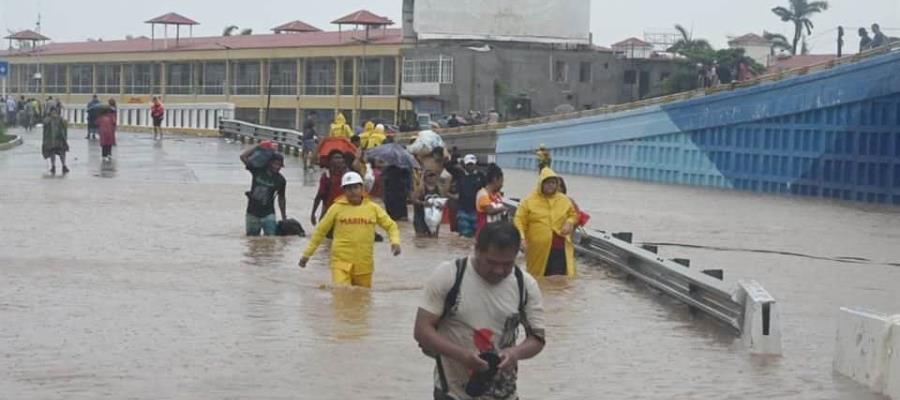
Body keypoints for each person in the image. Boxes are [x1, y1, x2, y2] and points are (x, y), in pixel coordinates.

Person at [414, 221, 546, 400]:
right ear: (476, 249)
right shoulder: (450, 276)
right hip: (452, 393)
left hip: (503, 392)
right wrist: (463, 356)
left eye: (507, 264)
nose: (499, 270)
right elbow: (422, 330)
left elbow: (537, 338)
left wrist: (515, 353)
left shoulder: (525, 285)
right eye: (491, 262)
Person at [299, 172, 401, 288]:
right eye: (348, 188)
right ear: (344, 191)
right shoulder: (336, 208)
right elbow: (320, 232)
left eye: (355, 187)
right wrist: (306, 255)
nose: (352, 191)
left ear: (362, 188)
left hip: (364, 263)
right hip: (341, 262)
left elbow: (391, 226)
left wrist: (395, 242)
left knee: (362, 298)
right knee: (341, 294)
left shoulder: (373, 208)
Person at [514, 168, 578, 278]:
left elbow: (573, 214)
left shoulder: (564, 200)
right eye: (547, 183)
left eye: (553, 183)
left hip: (559, 247)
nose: (550, 186)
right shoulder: (529, 201)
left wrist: (569, 222)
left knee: (557, 279)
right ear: (541, 184)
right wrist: (522, 238)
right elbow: (519, 220)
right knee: (536, 277)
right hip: (537, 248)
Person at [239, 145, 287, 236]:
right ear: (269, 163)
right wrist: (257, 146)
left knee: (271, 240)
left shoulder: (281, 180)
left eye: (279, 165)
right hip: (252, 213)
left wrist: (284, 217)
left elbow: (281, 199)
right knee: (252, 241)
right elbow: (243, 157)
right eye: (275, 164)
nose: (277, 167)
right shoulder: (257, 170)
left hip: (268, 213)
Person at [311, 150, 349, 226]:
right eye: (335, 158)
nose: (338, 160)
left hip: (346, 212)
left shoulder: (349, 176)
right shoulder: (326, 176)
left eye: (340, 158)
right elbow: (319, 195)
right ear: (330, 161)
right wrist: (313, 213)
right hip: (329, 211)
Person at [453, 154, 485, 238]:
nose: (470, 166)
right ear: (465, 165)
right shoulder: (460, 176)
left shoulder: (481, 176)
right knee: (464, 237)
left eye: (472, 164)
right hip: (463, 211)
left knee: (478, 236)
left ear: (475, 164)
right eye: (468, 164)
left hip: (477, 211)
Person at [413, 170, 446, 237]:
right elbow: (413, 200)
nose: (432, 178)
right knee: (421, 238)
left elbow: (443, 201)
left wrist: (442, 206)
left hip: (434, 217)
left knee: (434, 237)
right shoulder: (421, 188)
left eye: (433, 176)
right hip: (420, 217)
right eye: (429, 176)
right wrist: (423, 203)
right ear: (425, 178)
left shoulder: (439, 189)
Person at [476, 164, 507, 233]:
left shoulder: (497, 195)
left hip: (495, 233)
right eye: (501, 181)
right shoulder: (483, 194)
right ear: (495, 179)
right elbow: (490, 211)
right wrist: (503, 208)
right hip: (484, 234)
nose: (502, 185)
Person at [41, 106, 70, 175]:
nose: (54, 113)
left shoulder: (60, 119)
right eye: (52, 111)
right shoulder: (48, 119)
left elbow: (65, 125)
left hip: (59, 139)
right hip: (51, 140)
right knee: (52, 153)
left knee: (62, 153)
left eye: (55, 111)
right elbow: (45, 125)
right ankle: (53, 166)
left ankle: (64, 166)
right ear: (50, 112)